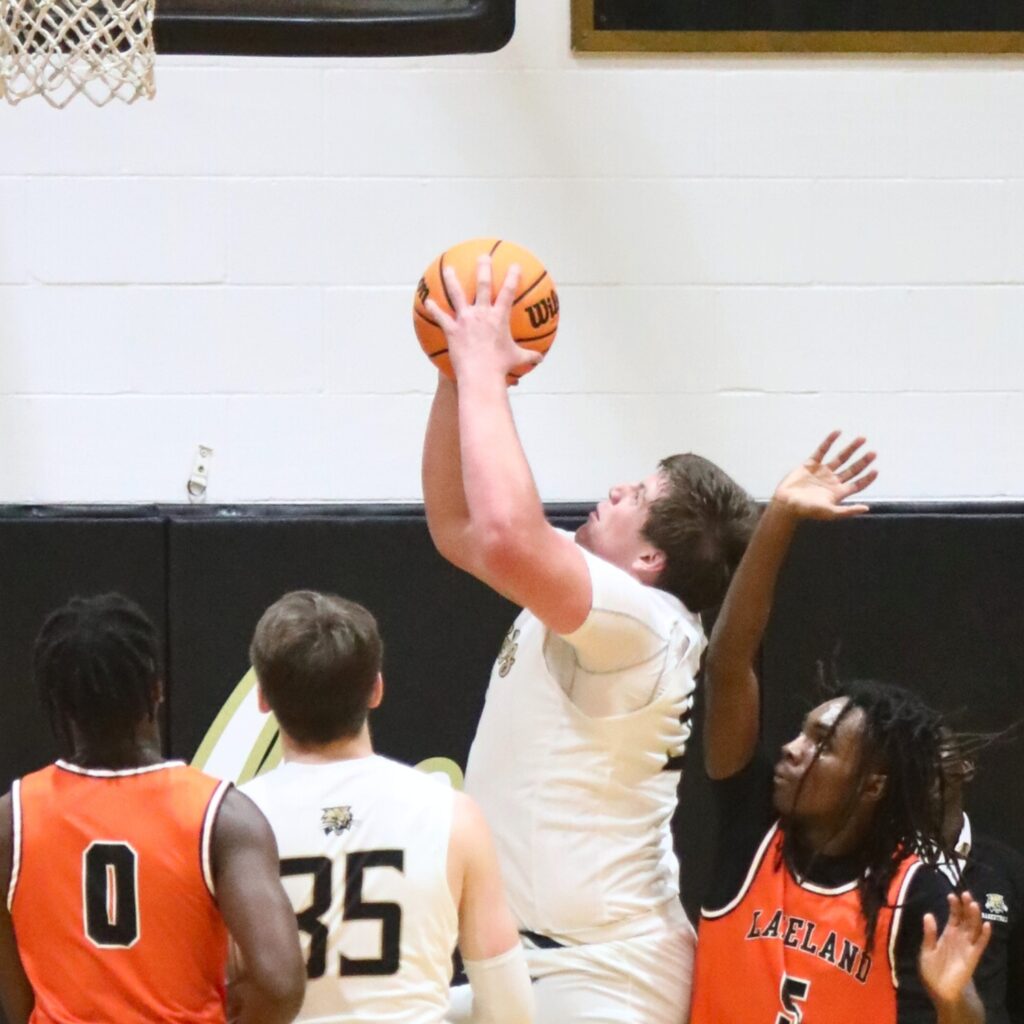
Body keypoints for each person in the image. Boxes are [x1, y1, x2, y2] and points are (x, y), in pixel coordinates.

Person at [421, 257, 759, 1023]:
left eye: (637, 494)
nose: (615, 489)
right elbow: (457, 524)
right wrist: (453, 371)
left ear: (651, 560)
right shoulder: (590, 598)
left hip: (605, 980)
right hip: (533, 965)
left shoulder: (644, 625)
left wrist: (484, 370)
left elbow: (506, 533)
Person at [691, 432, 992, 1024]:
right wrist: (779, 516)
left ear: (873, 784)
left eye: (822, 745)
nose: (791, 749)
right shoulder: (753, 826)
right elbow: (728, 664)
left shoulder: (915, 891)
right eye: (803, 733)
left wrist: (953, 998)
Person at [0, 593, 306, 1024]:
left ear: (58, 702)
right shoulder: (223, 816)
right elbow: (279, 987)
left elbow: (18, 997)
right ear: (157, 689)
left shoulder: (11, 820)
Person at [240, 590, 533, 1024]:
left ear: (262, 698)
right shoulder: (454, 815)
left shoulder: (230, 821)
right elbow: (512, 1011)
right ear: (376, 689)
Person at [938, 743, 1024, 1023]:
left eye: (935, 750)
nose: (924, 764)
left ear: (966, 765)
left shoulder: (1009, 867)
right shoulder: (885, 867)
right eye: (913, 756)